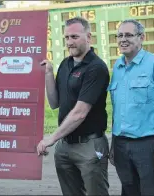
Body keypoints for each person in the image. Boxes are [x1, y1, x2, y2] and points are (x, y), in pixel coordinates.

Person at [108, 19, 154, 196]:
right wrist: (113, 144)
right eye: (119, 35)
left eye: (128, 35)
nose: (123, 39)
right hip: (121, 145)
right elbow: (118, 110)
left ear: (141, 37)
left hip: (149, 146)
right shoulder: (117, 68)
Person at [37, 17, 110, 196]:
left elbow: (80, 113)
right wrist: (48, 74)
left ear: (88, 37)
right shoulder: (65, 64)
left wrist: (51, 138)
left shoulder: (96, 68)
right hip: (65, 147)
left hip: (90, 146)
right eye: (67, 38)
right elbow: (55, 103)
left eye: (75, 37)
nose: (70, 42)